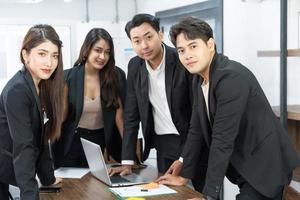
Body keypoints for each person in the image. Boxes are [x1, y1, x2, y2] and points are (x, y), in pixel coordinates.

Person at [156, 16, 300, 200]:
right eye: (181, 50)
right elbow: (196, 129)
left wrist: (208, 196)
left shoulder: (231, 77)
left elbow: (222, 139)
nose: (187, 55)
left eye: (193, 46)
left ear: (210, 45)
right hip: (245, 165)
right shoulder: (199, 79)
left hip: (267, 167)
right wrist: (185, 173)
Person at [108, 12, 198, 186]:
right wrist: (127, 162)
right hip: (163, 144)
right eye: (137, 41)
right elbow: (131, 115)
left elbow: (197, 111)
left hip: (191, 140)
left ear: (160, 35)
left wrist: (185, 156)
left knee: (196, 192)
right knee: (169, 193)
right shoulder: (135, 65)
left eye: (149, 37)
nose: (144, 45)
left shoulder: (181, 59)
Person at [0, 24, 64, 200]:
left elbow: (41, 138)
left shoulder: (41, 85)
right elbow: (24, 146)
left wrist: (48, 179)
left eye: (55, 56)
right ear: (25, 55)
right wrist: (30, 195)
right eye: (42, 54)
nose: (49, 63)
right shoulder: (18, 90)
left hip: (14, 169)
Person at [53, 28, 126, 167]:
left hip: (98, 142)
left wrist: (129, 157)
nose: (102, 57)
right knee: (69, 185)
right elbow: (61, 117)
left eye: (107, 52)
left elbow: (120, 118)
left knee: (93, 185)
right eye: (98, 50)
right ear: (87, 49)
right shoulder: (68, 77)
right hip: (70, 141)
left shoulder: (116, 77)